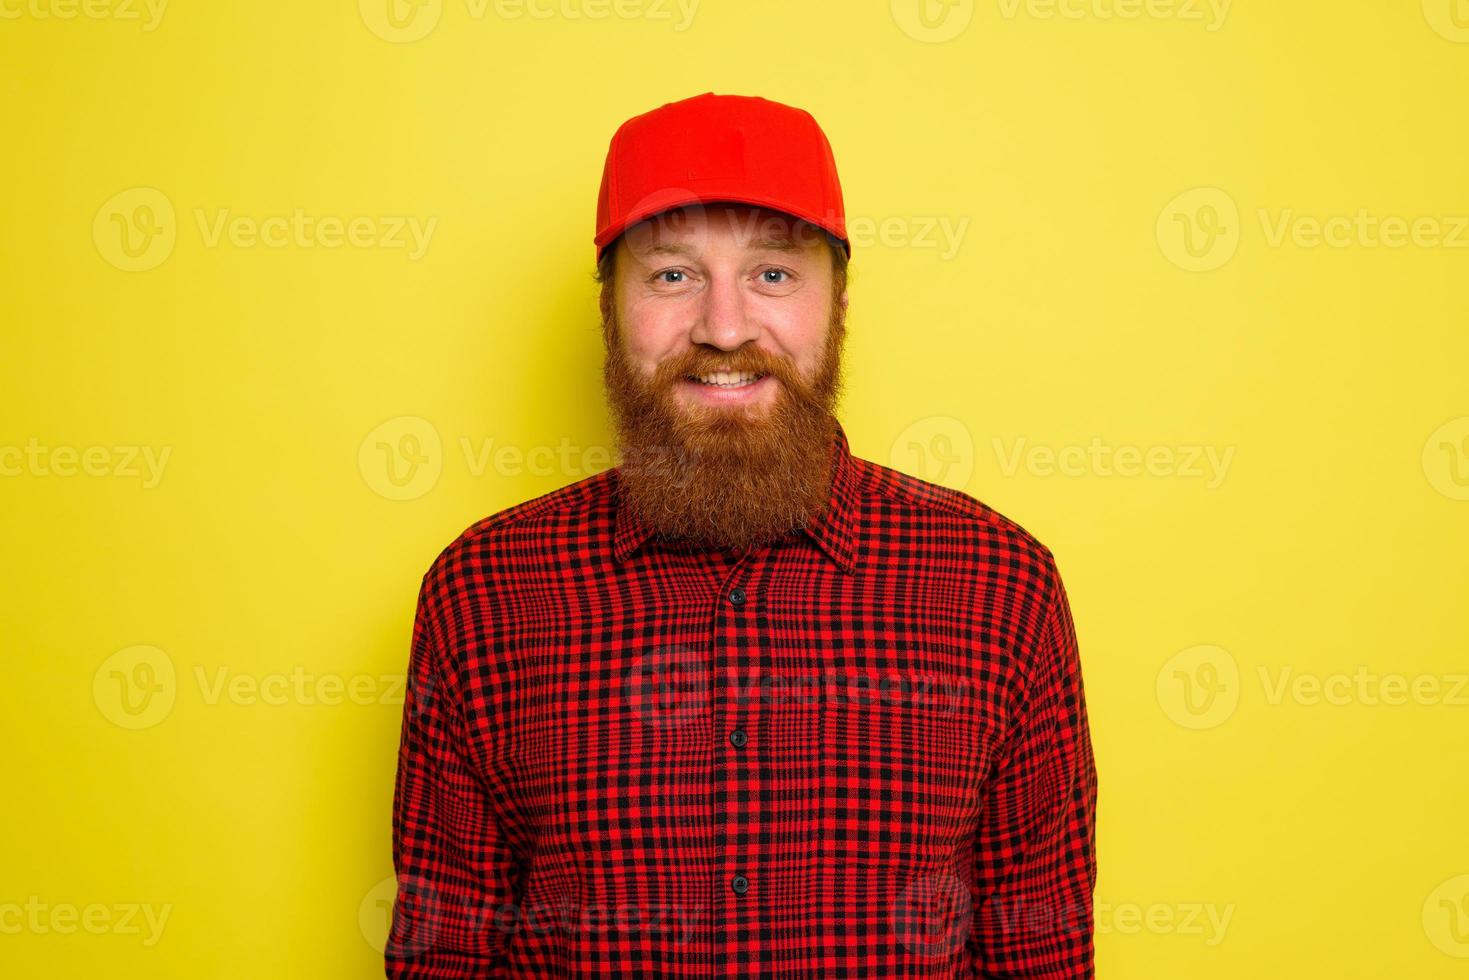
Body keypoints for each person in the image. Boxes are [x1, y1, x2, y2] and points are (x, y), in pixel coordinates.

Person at [387, 91, 1097, 978]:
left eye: (772, 273)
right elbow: (440, 953)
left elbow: (1040, 955)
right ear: (609, 307)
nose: (723, 329)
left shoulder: (999, 587)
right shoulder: (483, 592)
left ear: (837, 304)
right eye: (672, 275)